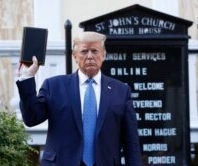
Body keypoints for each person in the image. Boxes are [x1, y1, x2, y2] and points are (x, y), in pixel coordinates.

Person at [16, 31, 142, 166]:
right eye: (84, 51)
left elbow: (131, 142)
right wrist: (27, 78)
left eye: (94, 51)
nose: (90, 56)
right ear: (75, 56)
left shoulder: (121, 90)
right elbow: (31, 119)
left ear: (103, 55)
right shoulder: (54, 86)